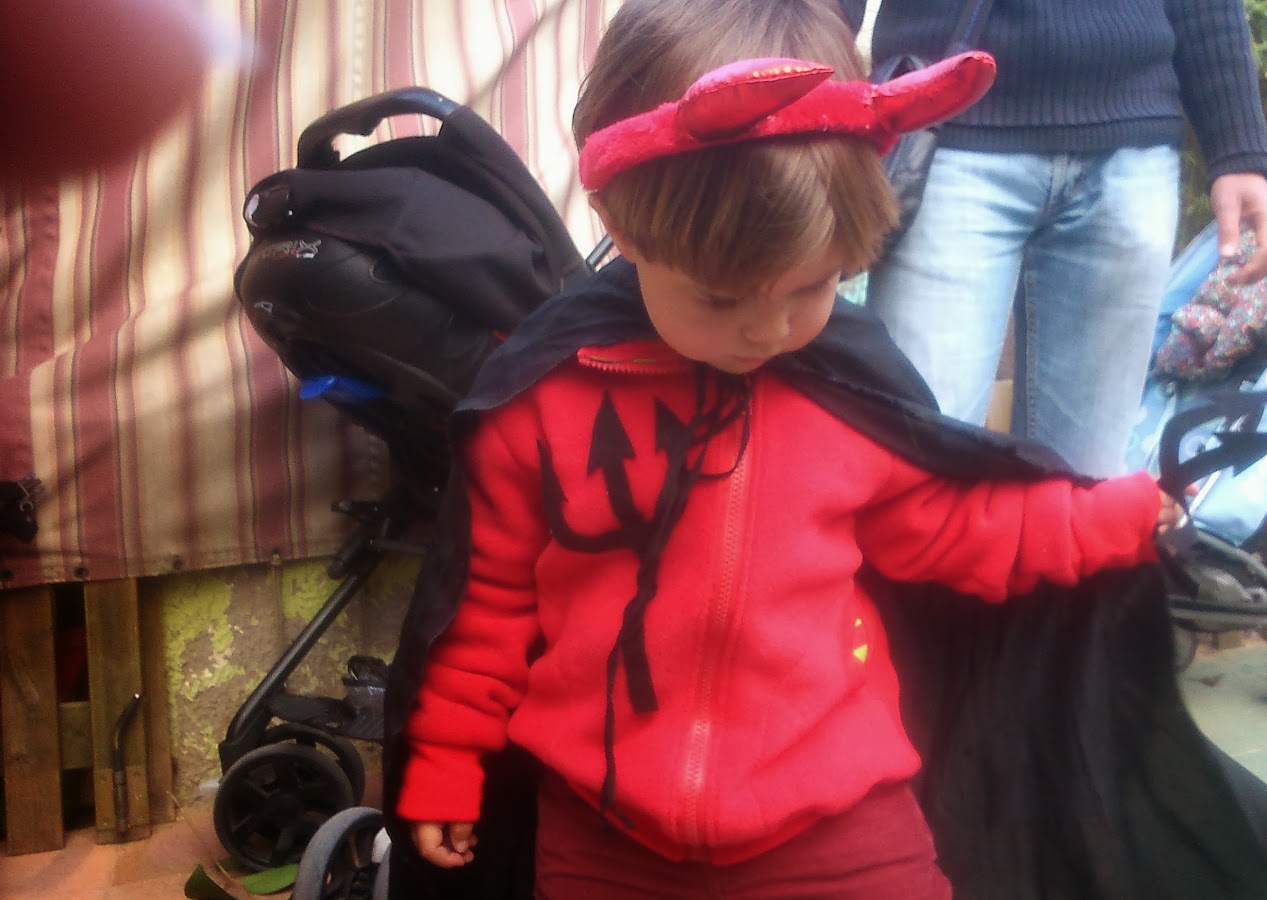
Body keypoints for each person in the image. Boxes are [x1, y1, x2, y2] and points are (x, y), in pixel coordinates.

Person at [384, 0, 1199, 896]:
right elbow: (485, 607)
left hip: (839, 828)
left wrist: (1114, 518)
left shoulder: (846, 399)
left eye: (812, 288)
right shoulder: (543, 405)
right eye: (720, 298)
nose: (767, 331)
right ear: (621, 227)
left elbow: (956, 527)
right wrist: (446, 761)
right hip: (604, 837)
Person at [838, 0, 1267, 479]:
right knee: (911, 471)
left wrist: (1237, 147)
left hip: (1130, 145)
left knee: (1084, 488)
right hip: (945, 124)